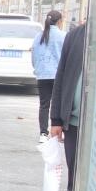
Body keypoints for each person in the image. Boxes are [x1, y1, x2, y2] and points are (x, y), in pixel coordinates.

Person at [50, 18, 87, 191]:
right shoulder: (75, 36)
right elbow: (61, 75)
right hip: (74, 125)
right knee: (75, 183)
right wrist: (56, 119)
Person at [33, 10, 65, 140]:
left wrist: (37, 68)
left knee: (44, 105)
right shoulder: (63, 36)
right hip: (58, 75)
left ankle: (43, 133)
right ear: (59, 21)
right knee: (60, 104)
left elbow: (34, 55)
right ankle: (59, 132)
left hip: (42, 74)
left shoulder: (38, 36)